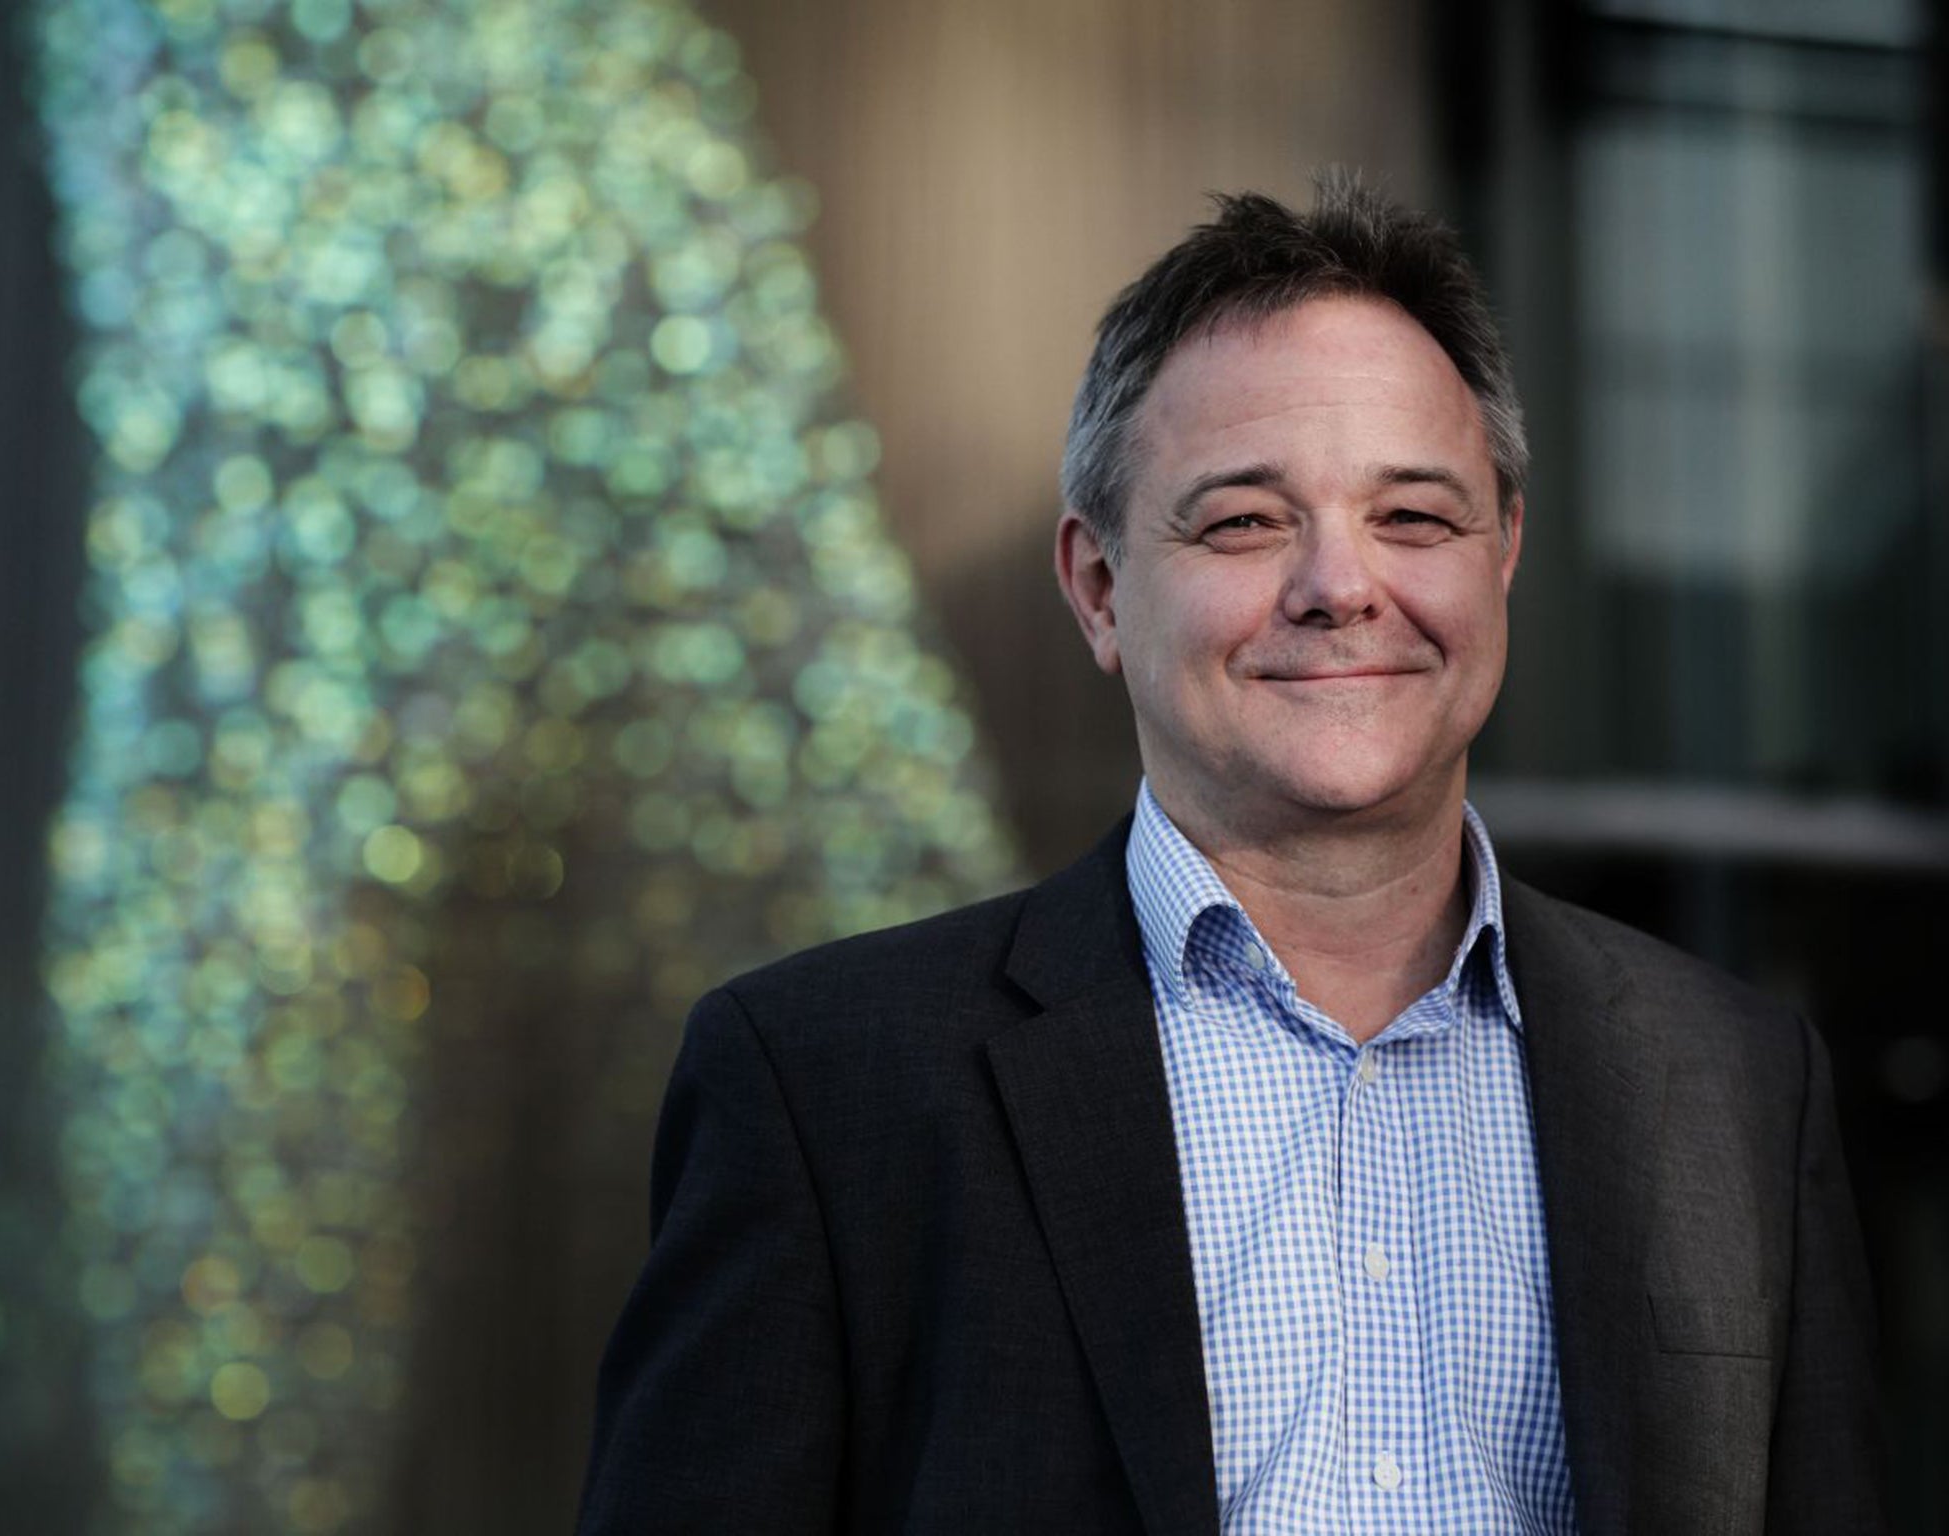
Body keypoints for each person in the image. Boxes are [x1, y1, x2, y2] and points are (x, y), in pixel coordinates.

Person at [575, 175, 1884, 1534]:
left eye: (1417, 518)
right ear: (1098, 586)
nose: (1340, 584)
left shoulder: (1732, 1082)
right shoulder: (825, 1087)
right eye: (1246, 520)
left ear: (1503, 553)